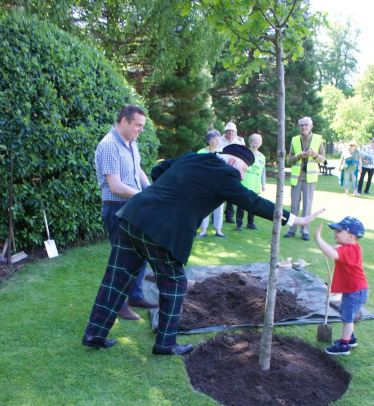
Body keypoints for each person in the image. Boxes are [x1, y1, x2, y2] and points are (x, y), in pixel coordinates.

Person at [82, 144, 324, 355]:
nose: (241, 177)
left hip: (132, 217)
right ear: (231, 161)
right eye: (243, 170)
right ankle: (165, 344)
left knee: (116, 280)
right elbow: (253, 202)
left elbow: (158, 170)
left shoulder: (192, 157)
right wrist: (294, 219)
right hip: (161, 230)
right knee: (175, 284)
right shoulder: (225, 174)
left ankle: (94, 334)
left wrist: (169, 195)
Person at [95, 104, 158, 321]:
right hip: (116, 208)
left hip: (132, 206)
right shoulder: (109, 145)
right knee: (123, 261)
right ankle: (119, 304)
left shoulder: (131, 143)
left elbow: (137, 170)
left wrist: (151, 191)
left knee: (142, 253)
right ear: (124, 121)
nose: (141, 129)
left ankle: (135, 295)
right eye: (138, 125)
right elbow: (116, 186)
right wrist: (143, 197)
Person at [314, 217, 368, 355]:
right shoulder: (352, 247)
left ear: (350, 236)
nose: (335, 233)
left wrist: (318, 238)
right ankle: (350, 339)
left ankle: (344, 346)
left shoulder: (349, 250)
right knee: (344, 314)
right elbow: (337, 249)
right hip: (354, 290)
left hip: (355, 292)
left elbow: (332, 253)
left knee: (347, 319)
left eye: (339, 231)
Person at [284, 117, 326, 241]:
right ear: (298, 127)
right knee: (294, 206)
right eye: (301, 125)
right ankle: (291, 230)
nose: (304, 127)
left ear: (311, 125)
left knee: (307, 206)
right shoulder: (295, 140)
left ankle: (305, 231)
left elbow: (323, 158)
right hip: (297, 178)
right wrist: (299, 155)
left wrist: (315, 155)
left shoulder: (318, 139)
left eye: (306, 124)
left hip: (310, 178)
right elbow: (289, 160)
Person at [197, 129, 226, 238]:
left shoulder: (223, 152)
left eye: (218, 139)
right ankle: (203, 230)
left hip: (219, 184)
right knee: (204, 207)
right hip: (204, 184)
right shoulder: (201, 153)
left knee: (219, 209)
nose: (217, 141)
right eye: (215, 139)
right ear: (209, 141)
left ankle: (218, 230)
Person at [236, 133, 266, 231]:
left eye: (257, 142)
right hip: (244, 183)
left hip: (255, 185)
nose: (255, 144)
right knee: (241, 205)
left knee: (253, 204)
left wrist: (263, 183)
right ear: (250, 142)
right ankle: (239, 224)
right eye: (253, 142)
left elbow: (263, 171)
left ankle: (250, 223)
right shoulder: (245, 153)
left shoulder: (262, 157)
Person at [218, 122, 245, 224]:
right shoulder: (219, 140)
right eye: (229, 130)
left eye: (233, 131)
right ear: (225, 131)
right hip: (220, 169)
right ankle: (214, 215)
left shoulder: (238, 143)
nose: (230, 132)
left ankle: (229, 215)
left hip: (232, 171)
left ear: (235, 132)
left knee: (230, 192)